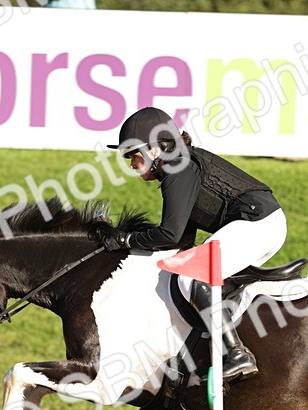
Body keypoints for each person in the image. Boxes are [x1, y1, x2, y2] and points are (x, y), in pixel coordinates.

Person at [101, 107, 287, 383]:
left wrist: (125, 239)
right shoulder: (177, 167)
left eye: (133, 155)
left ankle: (236, 354)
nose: (131, 164)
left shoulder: (179, 167)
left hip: (258, 224)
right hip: (256, 224)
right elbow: (182, 241)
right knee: (181, 274)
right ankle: (197, 348)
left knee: (193, 277)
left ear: (154, 150)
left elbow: (169, 234)